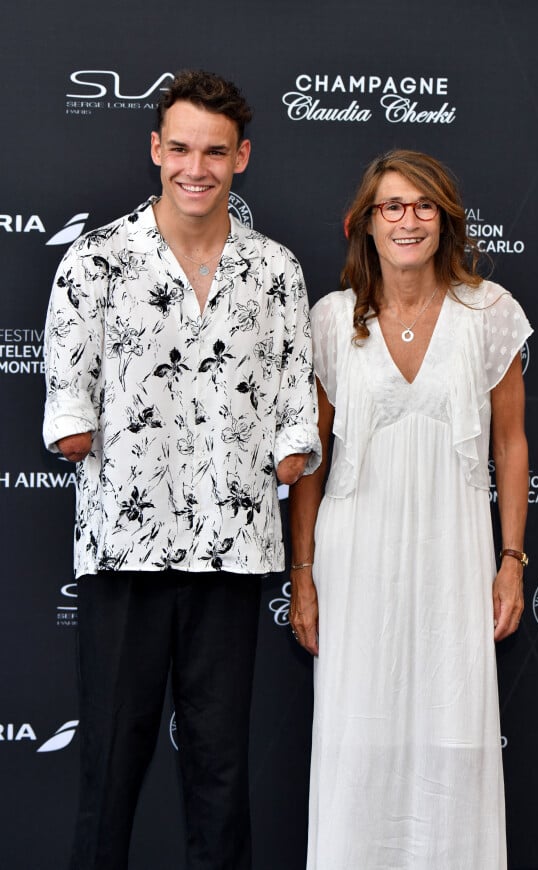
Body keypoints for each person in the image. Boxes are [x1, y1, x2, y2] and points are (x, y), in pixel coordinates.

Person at [43, 69, 320, 870]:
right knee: (109, 769)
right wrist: (84, 433)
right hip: (124, 553)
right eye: (182, 149)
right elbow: (68, 401)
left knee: (221, 771)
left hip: (232, 554)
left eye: (216, 152)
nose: (196, 168)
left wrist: (290, 450)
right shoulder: (95, 263)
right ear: (155, 148)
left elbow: (294, 402)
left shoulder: (275, 272)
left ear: (243, 158)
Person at [289, 149, 531, 870]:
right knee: (356, 748)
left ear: (446, 220)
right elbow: (311, 460)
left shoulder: (489, 312)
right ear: (363, 223)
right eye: (392, 206)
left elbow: (512, 446)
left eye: (423, 205)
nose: (408, 219)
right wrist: (302, 573)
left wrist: (511, 561)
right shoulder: (331, 321)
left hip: (454, 560)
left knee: (452, 741)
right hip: (354, 562)